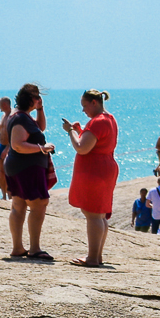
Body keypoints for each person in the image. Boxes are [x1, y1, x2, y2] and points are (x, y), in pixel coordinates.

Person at [63, 88, 118, 268]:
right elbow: (95, 143)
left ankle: (93, 258)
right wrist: (80, 130)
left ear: (94, 103)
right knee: (99, 214)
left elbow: (81, 148)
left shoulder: (98, 121)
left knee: (93, 214)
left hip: (96, 171)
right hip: (105, 168)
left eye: (85, 106)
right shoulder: (109, 118)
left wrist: (70, 130)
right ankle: (97, 256)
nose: (83, 110)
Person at [4, 83, 55, 260]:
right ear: (32, 99)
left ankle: (18, 247)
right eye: (37, 97)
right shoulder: (20, 118)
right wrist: (43, 148)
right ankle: (34, 248)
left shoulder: (21, 116)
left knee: (19, 205)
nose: (39, 100)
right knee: (39, 204)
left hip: (18, 166)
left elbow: (41, 127)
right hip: (26, 167)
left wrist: (40, 109)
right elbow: (18, 144)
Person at [0, 96, 13, 200]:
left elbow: (13, 133)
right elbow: (1, 131)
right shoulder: (3, 116)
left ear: (5, 104)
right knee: (1, 171)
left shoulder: (12, 116)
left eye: (0, 105)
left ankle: (10, 194)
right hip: (1, 145)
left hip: (9, 146)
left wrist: (8, 148)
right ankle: (4, 195)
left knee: (8, 171)